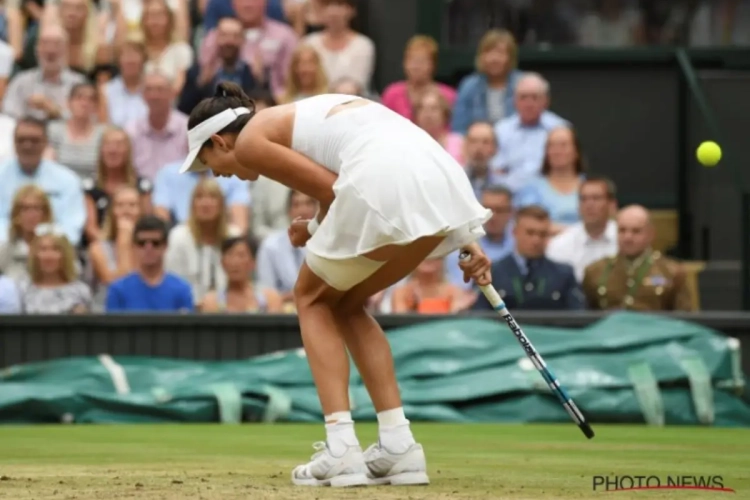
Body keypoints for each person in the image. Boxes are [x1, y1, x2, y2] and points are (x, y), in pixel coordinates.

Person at [181, 83, 492, 487]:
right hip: (439, 178)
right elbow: (367, 173)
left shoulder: (252, 140)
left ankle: (341, 447)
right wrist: (464, 236)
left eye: (208, 162)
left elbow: (331, 190)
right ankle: (399, 445)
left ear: (220, 141)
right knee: (346, 304)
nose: (218, 175)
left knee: (309, 298)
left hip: (384, 180)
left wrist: (309, 229)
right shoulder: (305, 113)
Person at [582, 205, 693, 311]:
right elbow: (587, 317)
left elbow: (684, 319)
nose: (627, 237)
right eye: (622, 230)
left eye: (636, 231)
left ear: (651, 234)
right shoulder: (595, 271)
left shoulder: (671, 272)